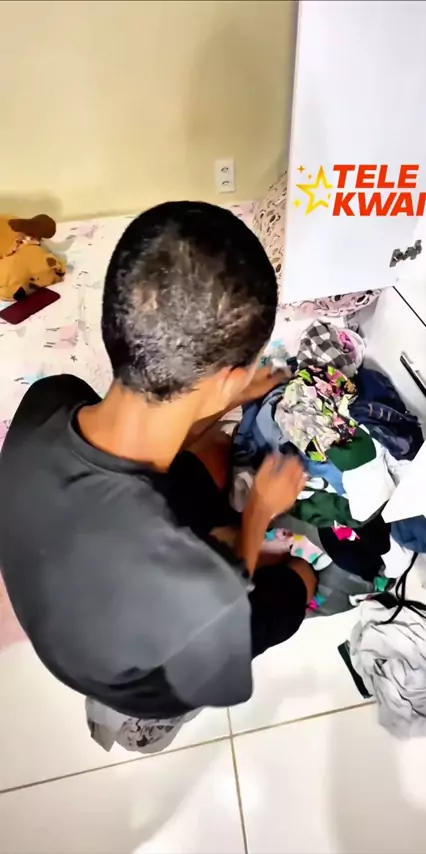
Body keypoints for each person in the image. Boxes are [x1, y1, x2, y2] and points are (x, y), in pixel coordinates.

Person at [0, 202, 316, 752]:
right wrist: (260, 511)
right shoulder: (180, 580)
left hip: (66, 601)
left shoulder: (49, 400)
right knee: (300, 579)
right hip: (153, 680)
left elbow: (149, 437)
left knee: (200, 459)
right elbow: (223, 587)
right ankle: (152, 721)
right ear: (228, 376)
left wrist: (226, 399)